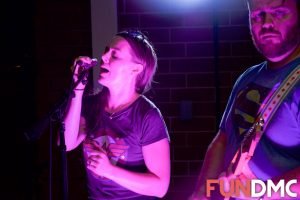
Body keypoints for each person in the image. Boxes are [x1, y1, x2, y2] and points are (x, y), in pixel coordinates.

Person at [190, 0, 300, 199]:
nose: (266, 23)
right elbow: (222, 138)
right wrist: (200, 193)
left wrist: (263, 191)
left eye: (279, 12)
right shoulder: (248, 77)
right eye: (257, 16)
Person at [63, 30, 170, 199]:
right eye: (106, 51)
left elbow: (160, 187)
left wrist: (110, 171)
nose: (104, 57)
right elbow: (65, 143)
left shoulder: (148, 116)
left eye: (115, 55)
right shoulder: (91, 105)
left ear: (135, 69)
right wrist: (78, 88)